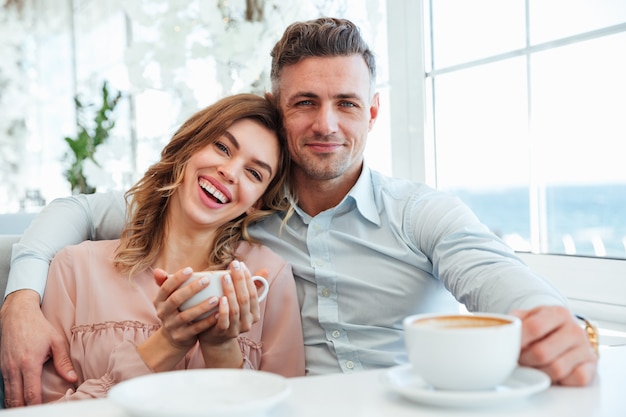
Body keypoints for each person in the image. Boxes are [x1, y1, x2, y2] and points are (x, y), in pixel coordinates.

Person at [1, 17, 597, 407]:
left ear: (373, 112)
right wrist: (19, 298)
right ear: (281, 116)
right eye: (305, 102)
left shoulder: (419, 214)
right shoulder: (239, 211)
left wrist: (549, 319)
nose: (326, 124)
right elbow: (80, 211)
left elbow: (493, 274)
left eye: (346, 103)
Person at [17, 94, 305, 403]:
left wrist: (222, 348)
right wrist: (167, 344)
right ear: (188, 147)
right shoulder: (74, 269)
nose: (230, 172)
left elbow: (286, 408)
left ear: (256, 202)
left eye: (254, 173)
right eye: (222, 147)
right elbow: (44, 411)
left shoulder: (268, 279)